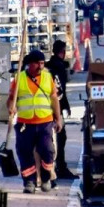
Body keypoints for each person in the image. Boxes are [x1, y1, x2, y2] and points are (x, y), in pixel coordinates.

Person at [7, 50, 63, 194]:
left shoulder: (47, 77)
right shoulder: (19, 78)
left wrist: (58, 118)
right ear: (29, 64)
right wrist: (11, 108)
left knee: (48, 150)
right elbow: (11, 99)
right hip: (25, 124)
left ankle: (45, 177)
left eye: (42, 63)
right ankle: (29, 182)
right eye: (37, 63)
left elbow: (54, 98)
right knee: (25, 153)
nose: (40, 66)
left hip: (45, 122)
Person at [45, 40, 78, 180]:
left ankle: (53, 166)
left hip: (46, 108)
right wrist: (65, 105)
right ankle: (59, 167)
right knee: (60, 137)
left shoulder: (48, 66)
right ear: (62, 52)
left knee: (53, 138)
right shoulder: (58, 67)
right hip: (55, 107)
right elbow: (59, 91)